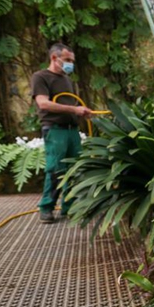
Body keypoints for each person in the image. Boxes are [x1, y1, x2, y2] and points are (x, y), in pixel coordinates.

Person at [30, 43, 91, 223]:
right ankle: (46, 208)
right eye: (67, 60)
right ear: (54, 58)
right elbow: (43, 103)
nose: (70, 64)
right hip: (55, 129)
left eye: (72, 61)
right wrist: (74, 110)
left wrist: (82, 112)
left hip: (72, 130)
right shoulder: (40, 77)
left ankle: (69, 207)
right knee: (55, 169)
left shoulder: (67, 80)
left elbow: (71, 105)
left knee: (74, 169)